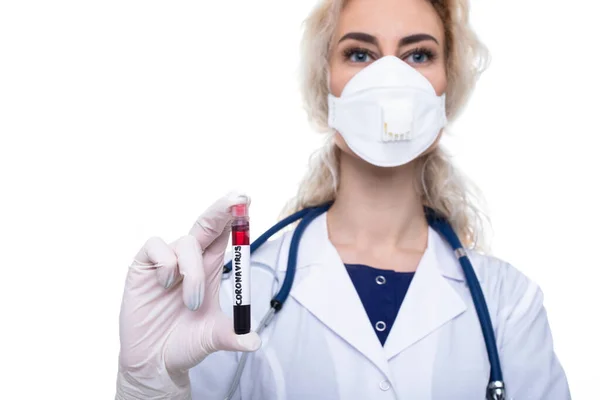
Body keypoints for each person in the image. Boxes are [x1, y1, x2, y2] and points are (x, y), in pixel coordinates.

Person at [115, 0, 570, 399]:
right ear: (325, 86)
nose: (390, 79)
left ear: (447, 91)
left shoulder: (507, 304)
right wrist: (148, 386)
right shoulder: (242, 289)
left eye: (417, 55)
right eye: (359, 54)